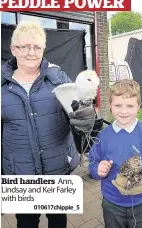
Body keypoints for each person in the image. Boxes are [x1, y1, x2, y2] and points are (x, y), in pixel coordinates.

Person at [1, 21, 98, 228]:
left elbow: (78, 121)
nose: (31, 52)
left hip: (57, 168)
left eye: (36, 47)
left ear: (44, 49)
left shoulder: (59, 79)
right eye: (25, 46)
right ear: (13, 49)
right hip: (21, 172)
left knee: (57, 221)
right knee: (25, 223)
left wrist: (85, 119)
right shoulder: (2, 86)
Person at [88, 79, 142, 228]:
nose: (123, 111)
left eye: (129, 106)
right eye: (118, 105)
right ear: (110, 106)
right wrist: (97, 169)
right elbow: (93, 162)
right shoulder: (103, 136)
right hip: (111, 203)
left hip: (141, 204)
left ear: (138, 106)